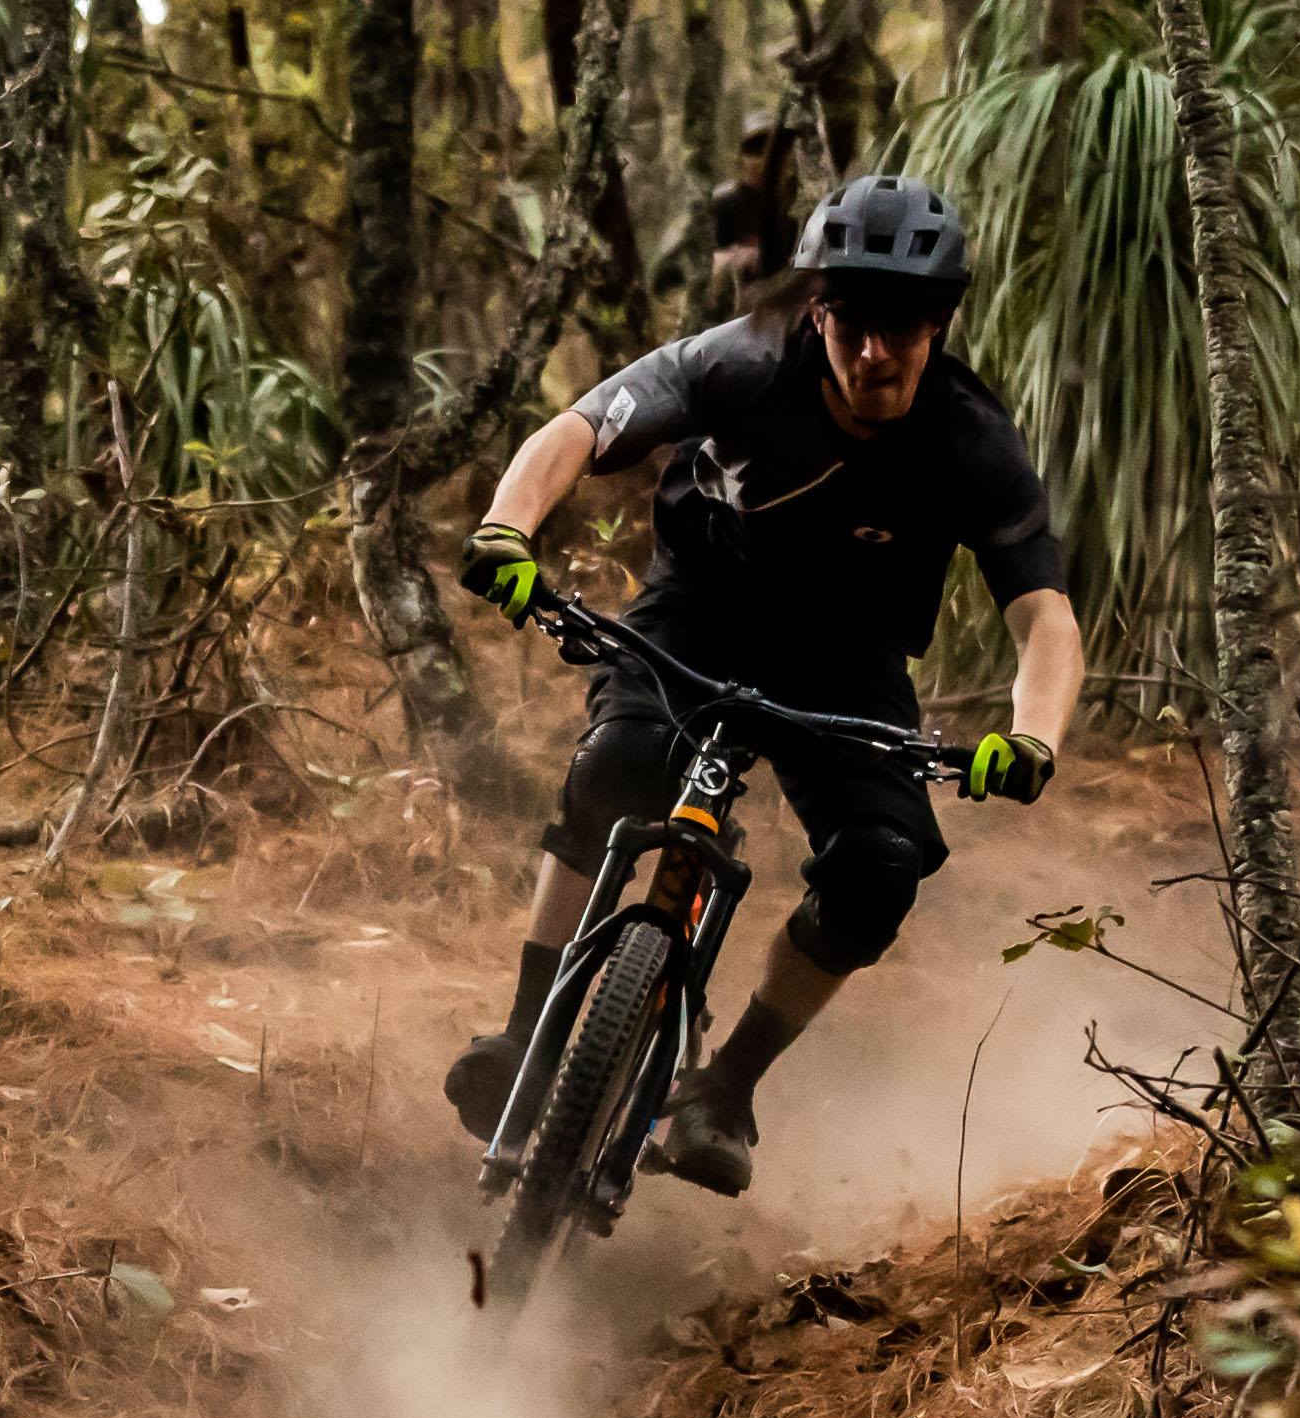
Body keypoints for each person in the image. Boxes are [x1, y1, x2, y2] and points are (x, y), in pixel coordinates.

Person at [444, 173, 1085, 1194]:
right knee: (618, 763)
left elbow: (1043, 613)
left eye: (905, 327)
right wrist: (505, 528)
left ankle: (724, 1089)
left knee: (879, 866)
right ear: (818, 311)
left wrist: (1035, 735)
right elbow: (580, 427)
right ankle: (527, 1033)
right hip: (699, 611)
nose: (876, 352)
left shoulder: (971, 441)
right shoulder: (740, 362)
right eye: (853, 324)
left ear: (940, 323)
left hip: (851, 657)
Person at [681, 112, 814, 314]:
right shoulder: (724, 205)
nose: (757, 160)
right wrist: (735, 258)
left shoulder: (796, 208)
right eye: (751, 150)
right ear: (741, 157)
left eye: (765, 151)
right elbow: (697, 268)